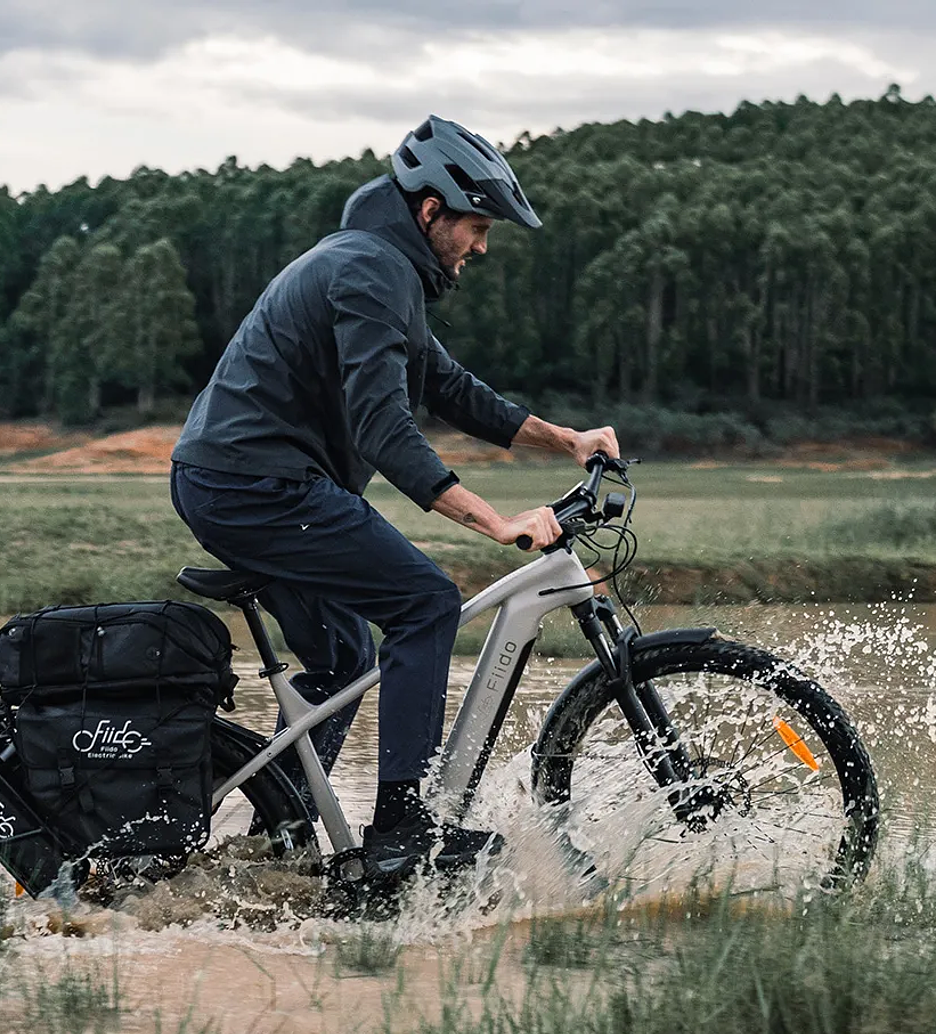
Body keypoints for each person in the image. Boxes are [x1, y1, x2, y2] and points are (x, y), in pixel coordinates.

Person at [171, 115, 619, 878]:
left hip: (242, 483)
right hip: (255, 486)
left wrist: (567, 440)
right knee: (424, 602)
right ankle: (402, 833)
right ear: (430, 211)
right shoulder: (371, 270)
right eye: (477, 227)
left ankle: (278, 837)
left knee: (346, 658)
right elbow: (383, 427)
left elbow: (446, 386)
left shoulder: (381, 269)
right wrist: (495, 521)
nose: (482, 246)